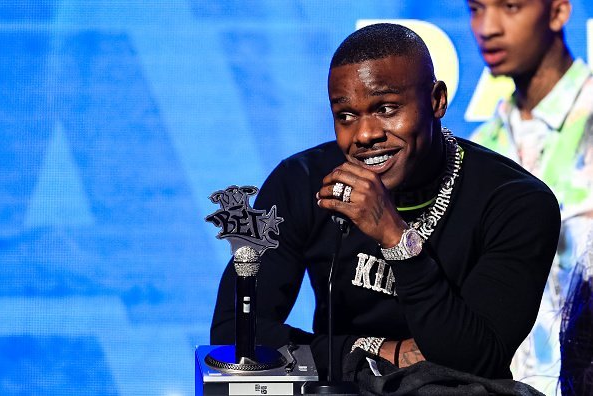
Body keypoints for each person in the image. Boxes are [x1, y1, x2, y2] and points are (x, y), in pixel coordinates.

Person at [211, 23, 560, 383]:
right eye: (345, 115)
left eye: (387, 108)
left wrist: (394, 236)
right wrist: (376, 351)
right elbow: (233, 333)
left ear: (437, 100)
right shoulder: (300, 182)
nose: (364, 135)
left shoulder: (517, 203)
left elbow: (477, 362)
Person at [468, 0, 593, 392]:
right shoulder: (477, 148)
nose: (487, 27)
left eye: (510, 6)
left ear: (558, 12)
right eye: (475, 9)